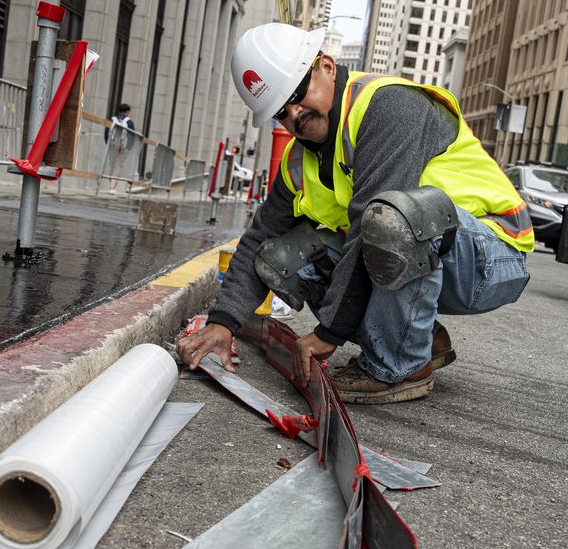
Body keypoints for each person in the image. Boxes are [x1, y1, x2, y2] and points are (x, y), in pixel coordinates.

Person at [176, 23, 533, 404]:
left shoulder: (387, 106)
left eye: (298, 92)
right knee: (278, 257)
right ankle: (419, 340)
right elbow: (257, 240)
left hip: (492, 253)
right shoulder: (299, 163)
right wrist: (222, 323)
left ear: (326, 66)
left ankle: (401, 367)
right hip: (427, 247)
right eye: (281, 112)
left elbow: (371, 224)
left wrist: (328, 333)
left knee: (392, 214)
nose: (295, 113)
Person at [104, 104, 136, 194]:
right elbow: (132, 136)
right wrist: (128, 148)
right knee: (118, 166)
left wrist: (108, 144)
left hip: (112, 146)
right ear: (127, 111)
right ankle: (112, 188)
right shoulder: (129, 122)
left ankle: (111, 186)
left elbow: (106, 133)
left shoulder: (112, 120)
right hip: (123, 148)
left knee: (111, 165)